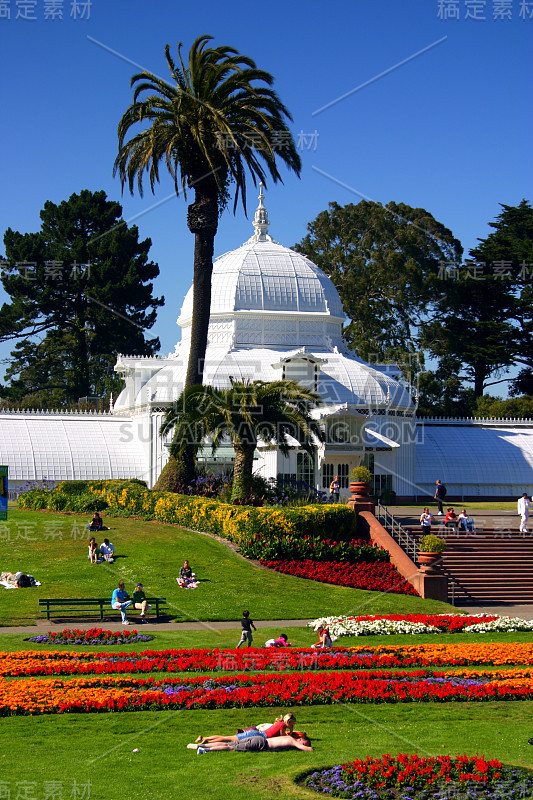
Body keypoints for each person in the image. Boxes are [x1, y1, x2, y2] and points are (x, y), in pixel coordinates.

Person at [195, 714, 297, 747]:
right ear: (289, 722)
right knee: (228, 739)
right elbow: (283, 738)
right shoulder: (282, 726)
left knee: (227, 738)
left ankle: (205, 738)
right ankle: (206, 741)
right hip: (258, 736)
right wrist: (291, 731)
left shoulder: (278, 723)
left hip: (257, 733)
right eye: (293, 724)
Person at [196, 734, 313, 754]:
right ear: (301, 739)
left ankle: (203, 746)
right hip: (261, 743)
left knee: (230, 743)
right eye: (304, 743)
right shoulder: (293, 740)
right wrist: (309, 748)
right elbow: (308, 750)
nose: (304, 745)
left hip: (259, 739)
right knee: (230, 747)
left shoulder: (288, 738)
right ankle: (206, 750)